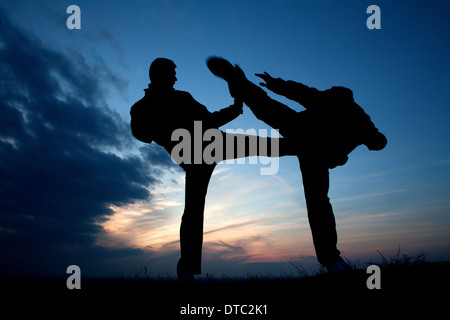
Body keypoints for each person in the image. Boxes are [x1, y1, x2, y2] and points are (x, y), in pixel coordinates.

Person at [207, 57, 387, 272]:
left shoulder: (345, 107)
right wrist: (275, 85)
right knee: (317, 200)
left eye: (332, 92)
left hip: (309, 138)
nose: (327, 93)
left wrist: (273, 85)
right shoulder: (345, 109)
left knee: (268, 110)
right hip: (309, 141)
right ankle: (331, 259)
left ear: (342, 96)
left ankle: (331, 259)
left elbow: (304, 93)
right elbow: (304, 93)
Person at [130, 58, 292, 281]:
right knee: (193, 211)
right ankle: (186, 272)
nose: (176, 77)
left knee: (268, 146)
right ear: (160, 74)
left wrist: (235, 109)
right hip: (196, 153)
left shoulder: (177, 98)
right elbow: (142, 133)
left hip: (210, 144)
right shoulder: (144, 106)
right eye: (172, 73)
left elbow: (208, 120)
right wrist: (168, 128)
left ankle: (186, 273)